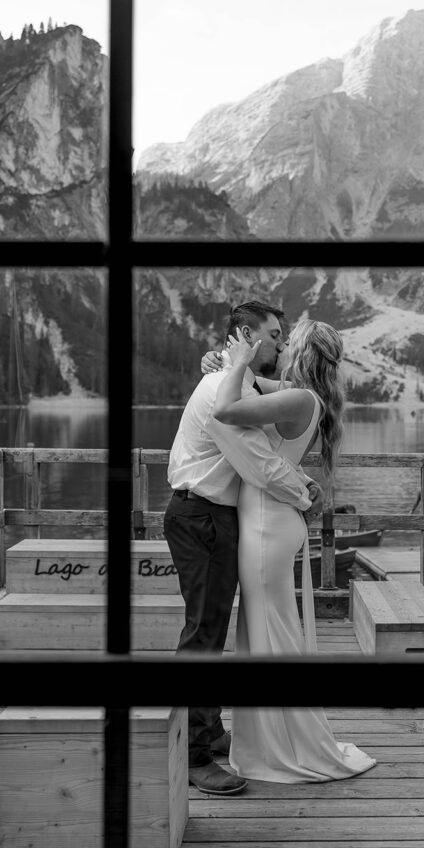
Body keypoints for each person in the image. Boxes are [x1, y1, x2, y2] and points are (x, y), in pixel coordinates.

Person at [163, 301, 324, 797]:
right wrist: (302, 495)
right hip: (202, 516)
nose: (279, 343)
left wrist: (300, 480)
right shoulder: (220, 389)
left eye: (281, 336)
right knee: (204, 636)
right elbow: (257, 464)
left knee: (210, 629)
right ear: (246, 336)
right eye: (273, 335)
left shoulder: (243, 385)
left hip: (216, 518)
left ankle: (207, 732)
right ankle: (191, 754)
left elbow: (270, 450)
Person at [211, 318, 376, 783]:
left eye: (286, 342)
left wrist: (236, 368)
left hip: (266, 525)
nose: (277, 348)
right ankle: (270, 740)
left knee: (270, 638)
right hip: (270, 521)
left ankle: (283, 747)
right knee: (265, 634)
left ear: (299, 351)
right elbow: (241, 381)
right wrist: (227, 362)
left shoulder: (298, 398)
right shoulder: (293, 392)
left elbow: (225, 409)